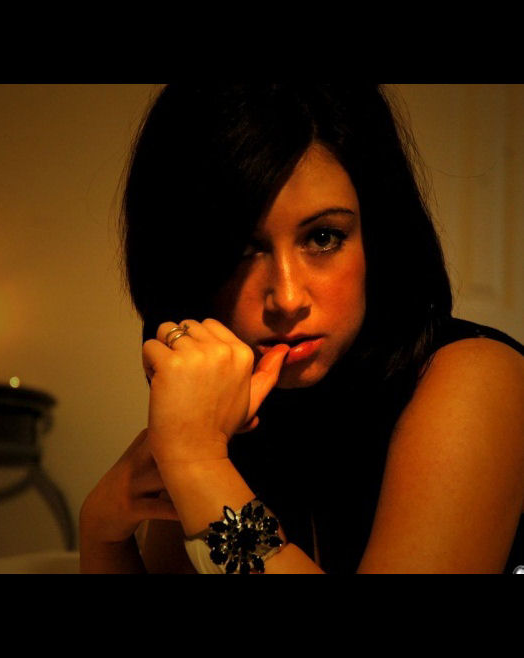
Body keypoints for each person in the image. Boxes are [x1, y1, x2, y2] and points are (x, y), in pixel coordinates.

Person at [79, 84, 524, 574]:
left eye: (323, 237)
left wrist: (196, 464)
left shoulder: (479, 377)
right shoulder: (234, 402)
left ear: (376, 236)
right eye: (243, 250)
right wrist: (102, 532)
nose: (288, 298)